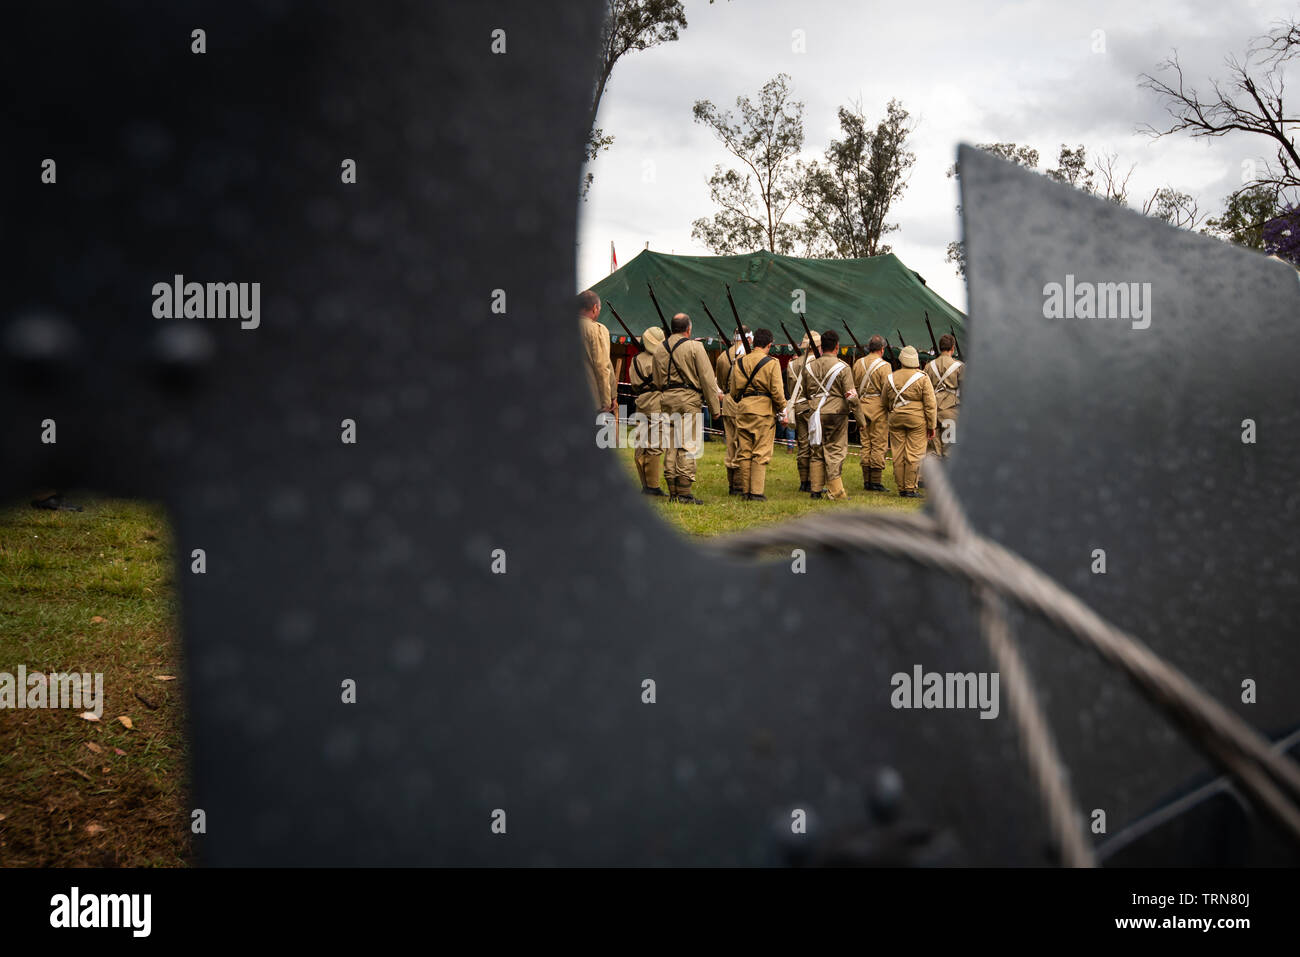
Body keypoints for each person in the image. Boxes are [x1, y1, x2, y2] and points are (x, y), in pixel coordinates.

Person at [652, 313, 722, 504]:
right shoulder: (694, 347)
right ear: (688, 329)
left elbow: (657, 380)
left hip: (666, 399)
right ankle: (684, 492)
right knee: (687, 445)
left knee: (671, 446)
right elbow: (707, 379)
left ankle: (673, 492)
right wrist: (715, 407)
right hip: (689, 399)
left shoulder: (659, 349)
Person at [729, 328, 786, 501]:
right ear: (769, 345)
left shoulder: (739, 362)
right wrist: (782, 408)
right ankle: (756, 492)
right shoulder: (772, 363)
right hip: (763, 412)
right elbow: (777, 391)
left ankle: (745, 491)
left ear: (753, 343)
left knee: (744, 452)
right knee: (761, 452)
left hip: (744, 409)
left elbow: (733, 392)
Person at [801, 330, 857, 500]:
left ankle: (816, 490)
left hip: (815, 412)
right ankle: (836, 492)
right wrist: (860, 419)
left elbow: (806, 392)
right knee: (835, 451)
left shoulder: (809, 367)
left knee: (817, 449)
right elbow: (851, 396)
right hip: (836, 413)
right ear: (837, 347)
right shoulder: (843, 367)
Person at [883, 345, 937, 498]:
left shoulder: (891, 377)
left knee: (898, 454)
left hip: (895, 418)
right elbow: (930, 404)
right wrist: (931, 425)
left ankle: (901, 487)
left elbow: (884, 401)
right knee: (914, 454)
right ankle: (909, 488)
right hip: (917, 421)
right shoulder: (922, 378)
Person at [628, 326, 666, 496]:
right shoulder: (659, 360)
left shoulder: (635, 360)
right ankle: (653, 486)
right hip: (655, 402)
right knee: (654, 446)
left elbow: (634, 383)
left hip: (640, 402)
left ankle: (645, 483)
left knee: (641, 444)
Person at [714, 326, 751, 495]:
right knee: (744, 444)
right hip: (745, 402)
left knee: (731, 444)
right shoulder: (749, 355)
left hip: (728, 402)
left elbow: (721, 384)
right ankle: (739, 484)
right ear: (748, 338)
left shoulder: (723, 357)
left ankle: (732, 484)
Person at [852, 334, 892, 491]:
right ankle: (875, 481)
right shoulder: (885, 366)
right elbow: (888, 390)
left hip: (862, 406)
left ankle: (866, 480)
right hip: (878, 408)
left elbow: (854, 386)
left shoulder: (858, 363)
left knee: (865, 443)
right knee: (878, 444)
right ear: (882, 349)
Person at [784, 330, 821, 492]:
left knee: (803, 444)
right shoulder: (819, 363)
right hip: (813, 407)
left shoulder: (792, 364)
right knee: (816, 445)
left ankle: (803, 481)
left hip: (798, 407)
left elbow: (791, 388)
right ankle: (814, 482)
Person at [925, 333, 964, 459]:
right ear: (953, 348)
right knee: (949, 449)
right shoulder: (959, 367)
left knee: (932, 450)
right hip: (951, 412)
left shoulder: (928, 366)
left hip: (933, 412)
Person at [577, 289, 616, 415]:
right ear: (595, 308)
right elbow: (602, 367)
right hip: (592, 401)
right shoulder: (597, 330)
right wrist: (607, 400)